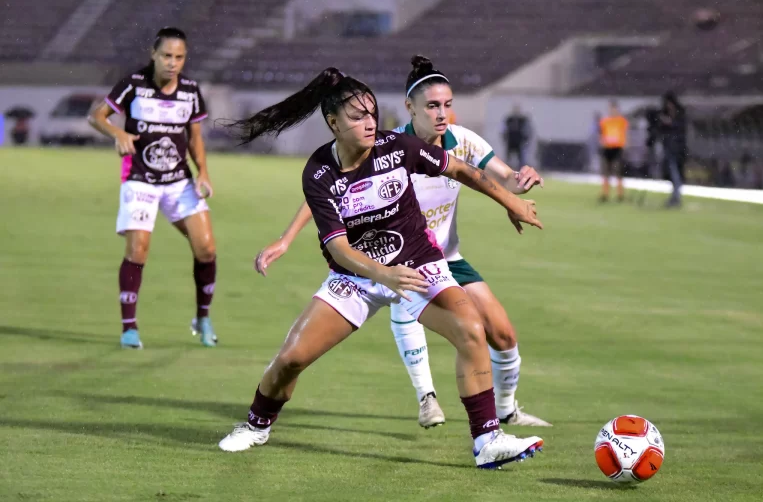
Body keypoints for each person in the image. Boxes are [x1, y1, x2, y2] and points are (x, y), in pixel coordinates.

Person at [217, 68, 545, 469]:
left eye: (373, 112)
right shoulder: (319, 173)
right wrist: (381, 274)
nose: (370, 122)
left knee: (471, 330)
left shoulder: (398, 147)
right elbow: (337, 248)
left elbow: (459, 168)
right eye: (357, 116)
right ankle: (256, 424)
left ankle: (487, 440)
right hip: (356, 277)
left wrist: (511, 202)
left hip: (418, 264)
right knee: (291, 359)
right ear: (333, 123)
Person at [88, 27, 218, 349]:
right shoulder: (134, 84)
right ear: (154, 54)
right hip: (140, 179)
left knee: (207, 248)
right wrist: (117, 134)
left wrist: (203, 172)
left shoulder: (190, 90)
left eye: (179, 57)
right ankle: (129, 328)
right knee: (138, 250)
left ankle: (202, 317)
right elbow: (97, 116)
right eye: (167, 56)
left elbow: (195, 136)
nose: (172, 63)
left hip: (178, 182)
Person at [659, 92, 686, 207]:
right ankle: (675, 195)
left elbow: (680, 129)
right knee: (671, 173)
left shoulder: (680, 115)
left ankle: (676, 196)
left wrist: (670, 123)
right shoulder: (666, 114)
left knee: (676, 172)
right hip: (669, 147)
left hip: (678, 149)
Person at [599, 101, 629, 202]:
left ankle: (620, 195)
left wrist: (625, 145)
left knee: (618, 172)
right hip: (607, 148)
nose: (612, 111)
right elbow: (602, 134)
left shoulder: (621, 121)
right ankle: (605, 194)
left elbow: (625, 134)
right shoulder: (605, 121)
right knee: (605, 172)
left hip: (617, 149)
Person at [502, 105, 532, 170]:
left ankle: (521, 170)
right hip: (511, 141)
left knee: (521, 158)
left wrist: (526, 139)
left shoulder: (523, 120)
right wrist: (504, 138)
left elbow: (528, 130)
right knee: (509, 158)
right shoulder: (509, 119)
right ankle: (507, 169)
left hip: (519, 142)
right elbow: (503, 129)